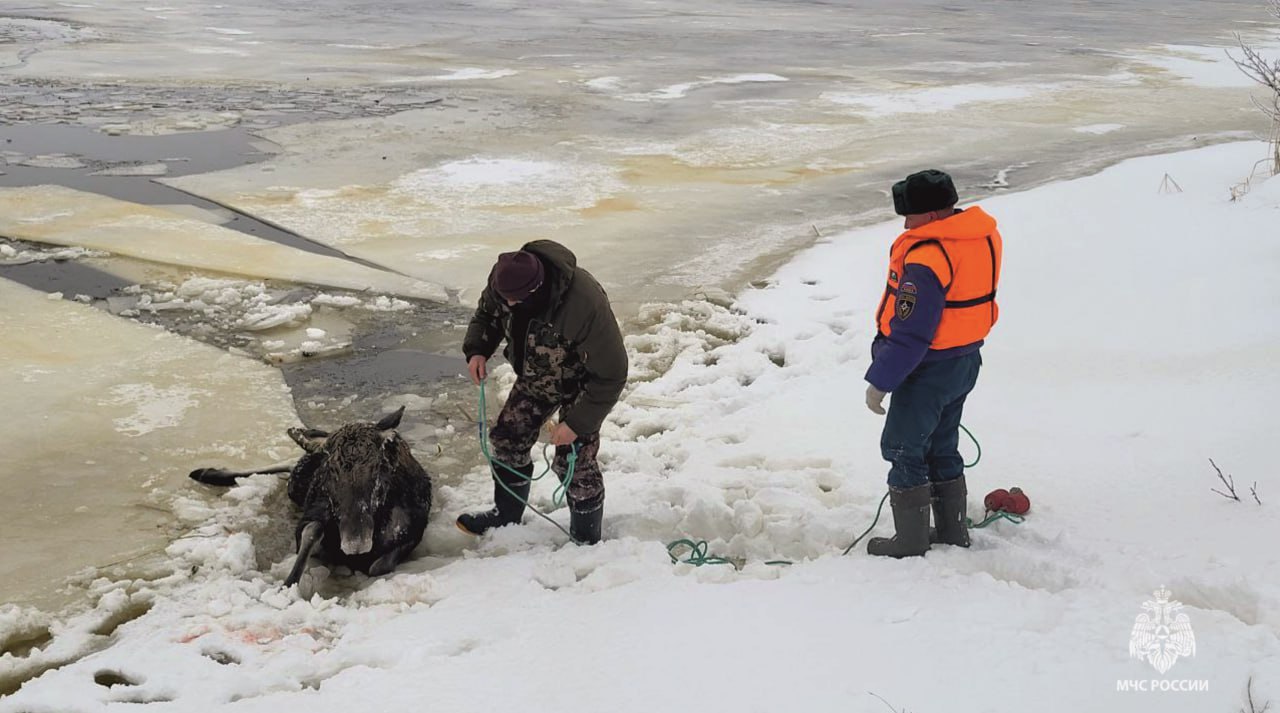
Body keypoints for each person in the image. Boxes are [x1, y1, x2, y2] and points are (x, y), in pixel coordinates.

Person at [863, 169, 1003, 558]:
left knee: (904, 448)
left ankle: (910, 543)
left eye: (909, 216)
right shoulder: (979, 236)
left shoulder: (928, 255)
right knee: (942, 444)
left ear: (929, 215)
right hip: (965, 360)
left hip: (925, 369)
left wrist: (881, 382)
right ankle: (952, 531)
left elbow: (912, 332)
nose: (905, 224)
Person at [456, 239, 628, 545]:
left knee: (574, 462)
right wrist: (478, 349)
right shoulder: (504, 279)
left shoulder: (583, 303)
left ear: (536, 289)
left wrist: (576, 424)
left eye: (515, 300)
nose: (507, 304)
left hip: (584, 382)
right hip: (538, 373)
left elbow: (612, 374)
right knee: (507, 439)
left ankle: (586, 540)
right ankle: (506, 517)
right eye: (504, 298)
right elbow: (487, 315)